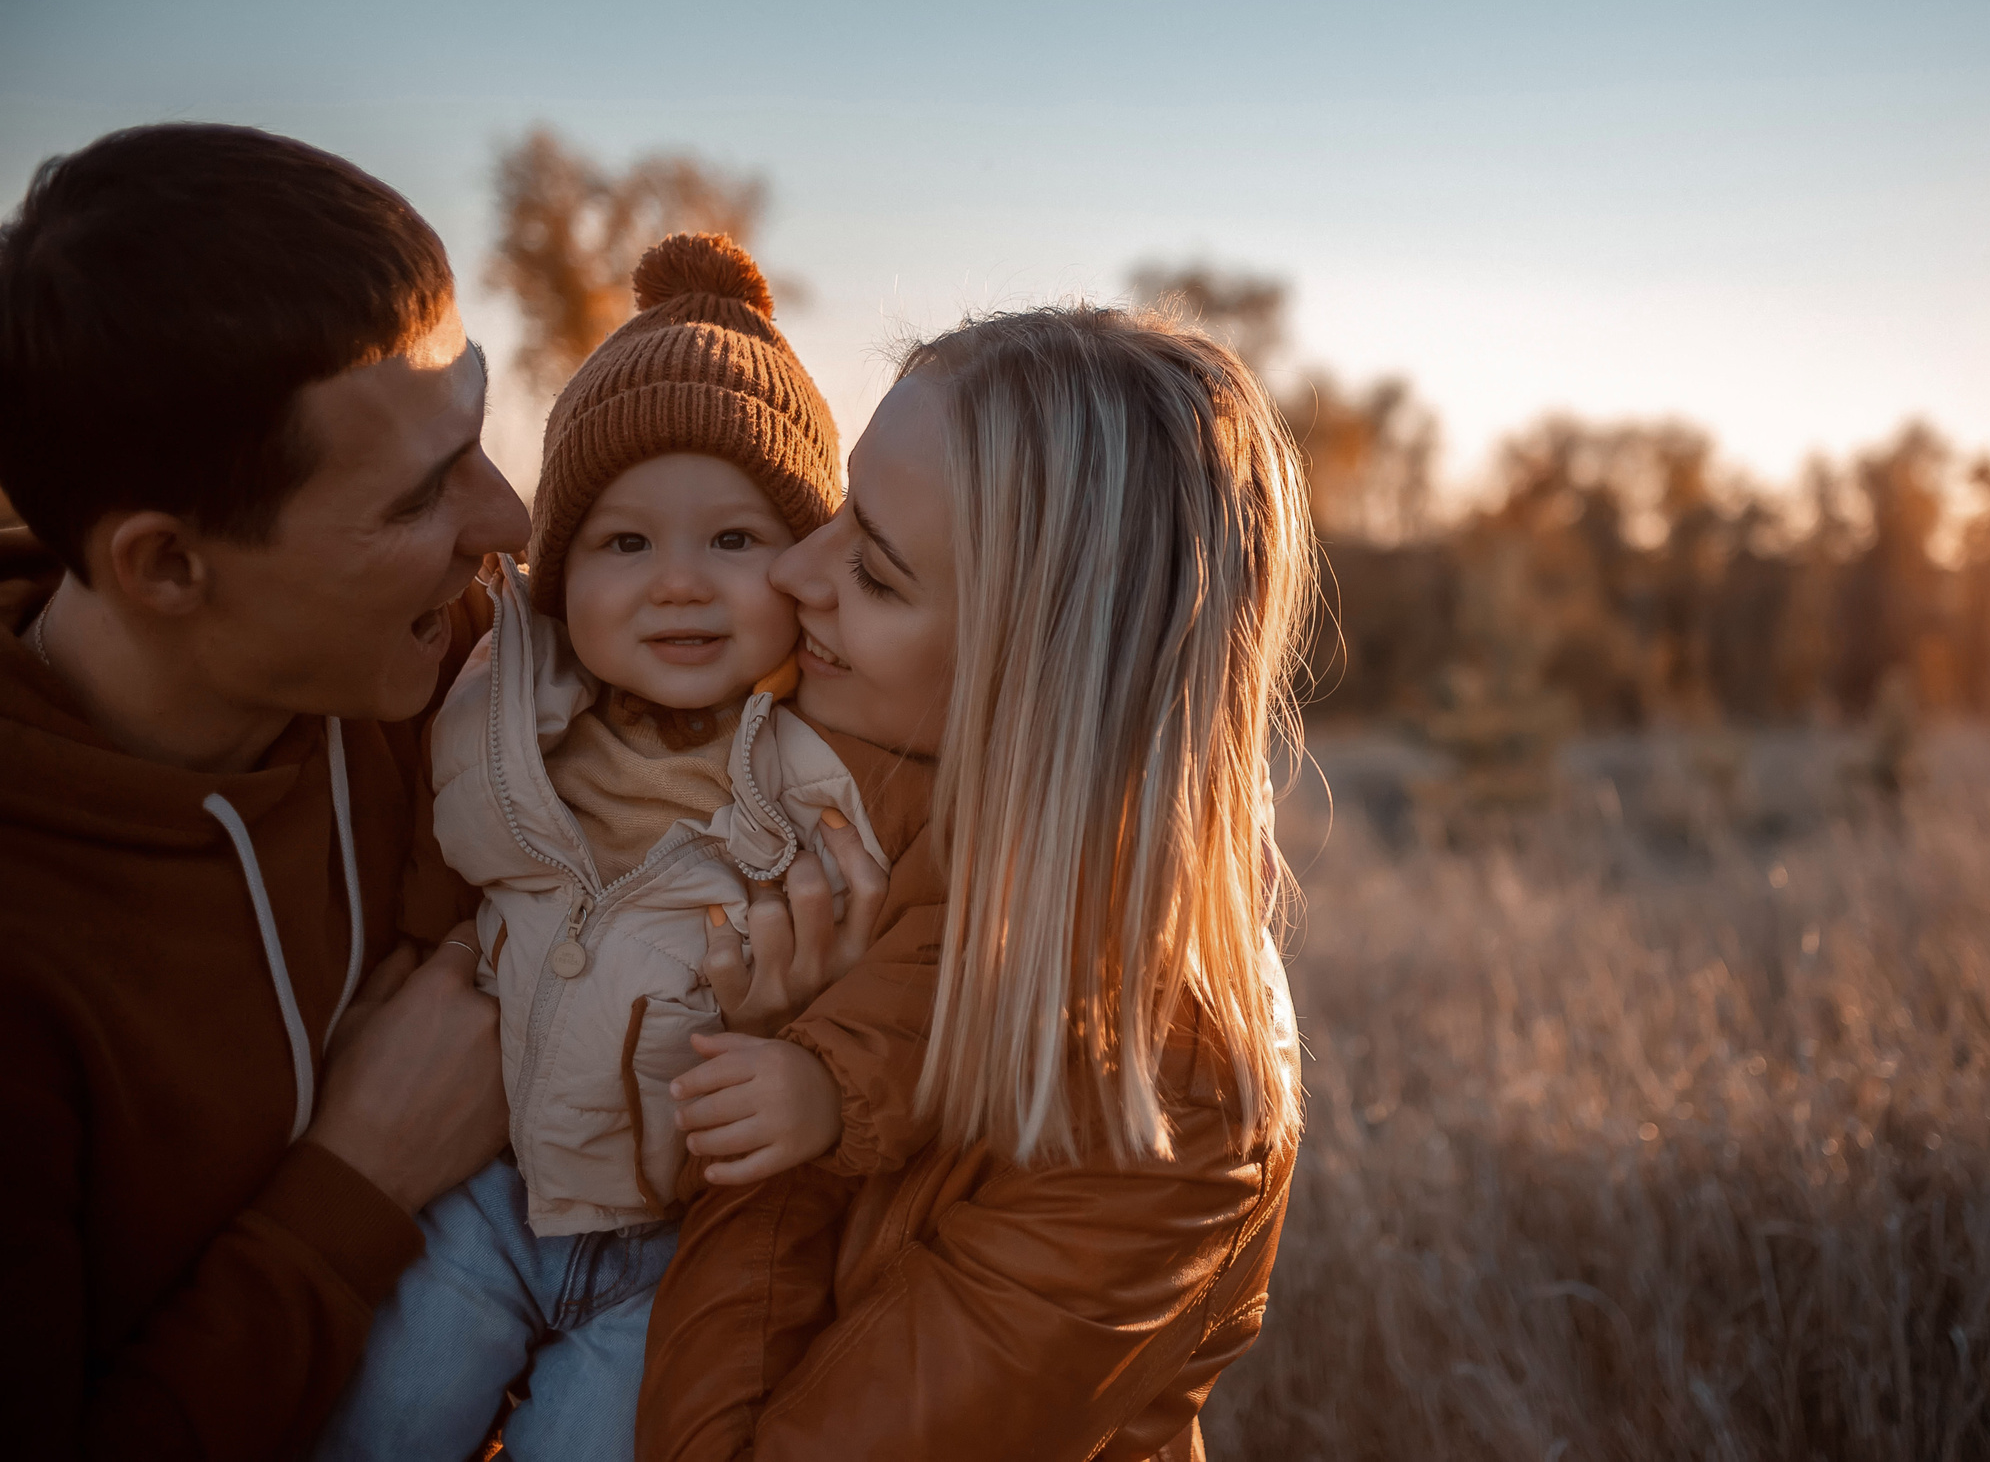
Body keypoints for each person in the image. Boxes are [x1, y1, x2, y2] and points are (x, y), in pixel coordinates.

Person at [639, 304, 1309, 1459]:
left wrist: (803, 1070)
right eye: (841, 507)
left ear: (1039, 679)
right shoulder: (835, 823)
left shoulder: (1157, 1105)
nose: (797, 569)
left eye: (879, 574)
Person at [315, 233, 915, 1462]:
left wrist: (810, 1052)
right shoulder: (491, 706)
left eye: (734, 542)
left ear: (805, 567)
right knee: (384, 1420)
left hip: (671, 1257)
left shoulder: (833, 777)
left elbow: (907, 993)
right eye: (624, 543)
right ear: (556, 577)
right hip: (482, 1199)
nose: (679, 585)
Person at [0, 123, 531, 1458]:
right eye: (421, 495)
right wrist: (357, 1183)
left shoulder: (460, 674)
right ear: (168, 566)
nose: (508, 518)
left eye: (475, 425)